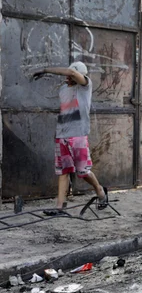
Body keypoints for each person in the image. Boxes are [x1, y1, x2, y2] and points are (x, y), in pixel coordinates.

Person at [32, 62, 107, 216]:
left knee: (83, 171)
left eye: (70, 74)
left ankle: (99, 190)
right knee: (63, 172)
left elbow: (73, 74)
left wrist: (46, 69)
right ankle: (59, 208)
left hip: (78, 135)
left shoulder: (85, 87)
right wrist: (58, 133)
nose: (67, 77)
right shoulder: (64, 89)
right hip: (62, 135)